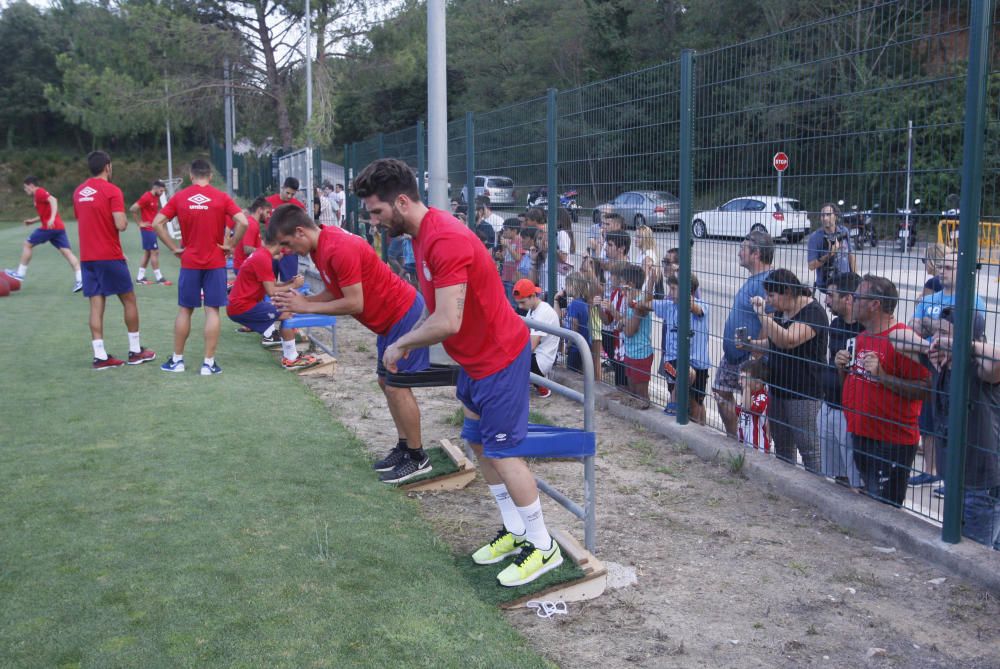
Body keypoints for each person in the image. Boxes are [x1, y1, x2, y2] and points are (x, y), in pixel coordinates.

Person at [357, 158, 563, 587]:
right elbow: (436, 311)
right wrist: (409, 336)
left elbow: (448, 321)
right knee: (479, 446)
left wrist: (399, 343)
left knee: (503, 453)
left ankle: (544, 547)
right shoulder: (420, 235)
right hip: (474, 362)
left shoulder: (444, 238)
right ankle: (516, 531)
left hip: (500, 361)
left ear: (400, 201)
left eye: (377, 212)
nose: (375, 222)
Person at [268, 205, 433, 485]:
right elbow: (335, 290)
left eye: (286, 243)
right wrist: (303, 304)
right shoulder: (321, 248)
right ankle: (405, 448)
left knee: (396, 385)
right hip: (389, 321)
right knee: (386, 382)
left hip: (404, 315)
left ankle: (418, 459)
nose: (286, 250)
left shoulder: (338, 247)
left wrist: (305, 306)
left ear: (299, 231)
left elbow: (354, 303)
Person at [892, 309, 1000, 549]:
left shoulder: (979, 368)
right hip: (955, 476)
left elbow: (997, 362)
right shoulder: (939, 361)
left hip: (982, 482)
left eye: (946, 334)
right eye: (937, 332)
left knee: (974, 554)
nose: (939, 339)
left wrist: (962, 346)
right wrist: (930, 343)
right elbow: (896, 338)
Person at [836, 275, 930, 507]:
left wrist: (883, 376)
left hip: (890, 442)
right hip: (862, 434)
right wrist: (841, 369)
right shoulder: (861, 337)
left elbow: (925, 389)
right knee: (871, 501)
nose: (851, 301)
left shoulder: (903, 340)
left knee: (885, 508)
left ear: (874, 304)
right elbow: (854, 383)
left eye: (857, 297)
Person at [152, 159, 248, 376]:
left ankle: (177, 361)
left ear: (191, 176)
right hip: (215, 262)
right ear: (210, 176)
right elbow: (244, 222)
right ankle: (208, 364)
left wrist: (174, 248)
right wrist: (231, 246)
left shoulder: (180, 197)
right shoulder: (221, 197)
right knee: (212, 310)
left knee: (185, 310)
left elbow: (157, 222)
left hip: (189, 262)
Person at [908, 252, 988, 491]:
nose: (942, 272)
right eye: (941, 267)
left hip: (957, 370)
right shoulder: (930, 299)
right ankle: (931, 471)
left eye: (949, 268)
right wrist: (942, 328)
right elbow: (913, 327)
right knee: (930, 421)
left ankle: (954, 477)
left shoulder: (973, 301)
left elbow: (968, 335)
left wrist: (931, 326)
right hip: (931, 364)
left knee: (954, 423)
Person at [72, 151, 156, 369]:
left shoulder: (79, 192)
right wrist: (124, 223)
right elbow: (120, 224)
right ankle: (136, 351)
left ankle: (100, 356)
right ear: (108, 167)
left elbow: (84, 220)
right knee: (129, 300)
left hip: (87, 257)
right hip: (108, 255)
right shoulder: (112, 190)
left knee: (96, 304)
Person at [750, 269, 828, 472]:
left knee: (809, 449)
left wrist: (761, 314)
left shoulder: (813, 313)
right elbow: (775, 342)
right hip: (779, 389)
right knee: (783, 448)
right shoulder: (781, 311)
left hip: (803, 393)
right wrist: (752, 345)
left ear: (787, 291)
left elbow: (788, 340)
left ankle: (815, 494)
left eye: (772, 295)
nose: (769, 300)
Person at [713, 231, 775, 437]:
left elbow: (769, 317)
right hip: (734, 354)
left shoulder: (764, 281)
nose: (739, 253)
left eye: (743, 248)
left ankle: (746, 439)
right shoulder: (754, 279)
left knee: (750, 405)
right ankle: (736, 437)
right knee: (721, 392)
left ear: (756, 253)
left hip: (748, 355)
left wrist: (756, 354)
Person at [225, 240, 319, 370]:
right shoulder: (263, 258)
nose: (283, 257)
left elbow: (272, 286)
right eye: (286, 252)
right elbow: (272, 292)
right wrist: (294, 285)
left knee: (284, 308)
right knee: (287, 312)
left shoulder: (262, 254)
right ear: (281, 248)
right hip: (242, 306)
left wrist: (289, 283)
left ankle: (285, 351)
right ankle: (290, 358)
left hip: (240, 305)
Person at [818, 272, 864, 487]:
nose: (826, 300)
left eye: (830, 295)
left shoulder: (866, 331)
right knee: (837, 476)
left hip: (850, 414)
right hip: (829, 406)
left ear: (848, 298)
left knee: (858, 480)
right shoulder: (835, 324)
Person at [649, 271, 711, 423]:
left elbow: (696, 309)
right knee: (688, 373)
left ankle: (695, 430)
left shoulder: (703, 306)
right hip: (672, 361)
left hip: (699, 363)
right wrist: (650, 282)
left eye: (673, 289)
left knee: (696, 404)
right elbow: (646, 302)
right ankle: (674, 403)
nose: (669, 293)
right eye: (669, 288)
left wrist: (686, 295)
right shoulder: (669, 306)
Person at [5, 175, 83, 292]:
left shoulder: (39, 192)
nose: (25, 190)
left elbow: (53, 200)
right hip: (58, 228)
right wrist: (33, 220)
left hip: (49, 227)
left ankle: (19, 273)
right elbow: (44, 213)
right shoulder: (38, 195)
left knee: (27, 244)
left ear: (31, 186)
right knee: (67, 253)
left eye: (26, 188)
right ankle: (80, 279)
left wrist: (51, 218)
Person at [618, 264, 654, 409]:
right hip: (630, 352)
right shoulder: (630, 301)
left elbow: (629, 331)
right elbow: (626, 323)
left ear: (630, 284)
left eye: (622, 282)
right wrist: (623, 322)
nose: (620, 285)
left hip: (640, 354)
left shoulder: (639, 303)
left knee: (641, 396)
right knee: (632, 391)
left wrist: (623, 324)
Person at [129, 179, 171, 286]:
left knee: (148, 253)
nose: (162, 193)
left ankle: (140, 278)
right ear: (155, 188)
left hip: (152, 229)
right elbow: (133, 209)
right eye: (161, 191)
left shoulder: (156, 197)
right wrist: (140, 223)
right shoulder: (146, 197)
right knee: (154, 252)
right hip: (148, 229)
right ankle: (159, 278)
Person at [807, 202, 856, 292]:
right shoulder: (815, 237)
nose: (825, 218)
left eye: (828, 215)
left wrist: (855, 277)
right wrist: (829, 255)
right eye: (822, 215)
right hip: (826, 283)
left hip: (845, 281)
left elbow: (851, 255)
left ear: (836, 216)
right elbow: (811, 266)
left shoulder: (844, 231)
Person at [266, 178, 306, 281]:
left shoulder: (298, 207)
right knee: (268, 284)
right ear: (282, 188)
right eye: (287, 193)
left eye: (292, 194)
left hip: (289, 253)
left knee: (289, 285)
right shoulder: (268, 202)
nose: (289, 196)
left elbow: (303, 228)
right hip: (271, 251)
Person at [230, 197, 272, 276]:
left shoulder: (253, 223)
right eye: (267, 212)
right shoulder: (251, 224)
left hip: (245, 267)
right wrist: (267, 253)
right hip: (244, 268)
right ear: (260, 210)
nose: (269, 216)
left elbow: (257, 244)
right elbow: (247, 249)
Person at [737, 358, 771, 453]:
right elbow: (740, 411)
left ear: (757, 384)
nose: (740, 382)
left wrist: (746, 388)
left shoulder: (762, 397)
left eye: (744, 379)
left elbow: (748, 409)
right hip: (744, 441)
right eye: (740, 378)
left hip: (758, 447)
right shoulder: (749, 394)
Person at [563, 271, 593, 375]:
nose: (565, 288)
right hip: (583, 347)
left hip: (575, 348)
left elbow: (574, 327)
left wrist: (569, 345)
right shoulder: (582, 302)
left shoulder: (575, 304)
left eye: (567, 285)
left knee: (572, 375)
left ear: (573, 286)